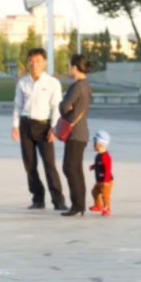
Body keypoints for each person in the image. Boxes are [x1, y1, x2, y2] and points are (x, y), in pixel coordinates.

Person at [12, 48, 67, 211]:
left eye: (38, 61)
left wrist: (54, 129)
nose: (34, 64)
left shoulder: (52, 83)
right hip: (26, 125)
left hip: (44, 127)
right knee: (29, 164)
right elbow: (18, 106)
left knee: (49, 164)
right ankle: (38, 198)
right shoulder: (23, 83)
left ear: (44, 63)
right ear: (28, 62)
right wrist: (15, 125)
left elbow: (56, 108)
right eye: (31, 61)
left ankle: (58, 200)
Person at [58, 54, 92, 217]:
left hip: (74, 133)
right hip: (82, 132)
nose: (68, 68)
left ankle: (77, 204)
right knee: (76, 169)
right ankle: (79, 204)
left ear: (75, 67)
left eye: (70, 65)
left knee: (70, 168)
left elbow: (64, 106)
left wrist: (63, 106)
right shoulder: (86, 85)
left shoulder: (77, 86)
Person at [88, 130, 113, 216]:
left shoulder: (106, 157)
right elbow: (99, 164)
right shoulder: (98, 155)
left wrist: (106, 182)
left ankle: (107, 208)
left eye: (94, 142)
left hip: (106, 181)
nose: (93, 145)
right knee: (94, 192)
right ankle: (98, 206)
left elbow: (108, 169)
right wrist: (93, 166)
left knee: (105, 195)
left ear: (99, 144)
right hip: (99, 180)